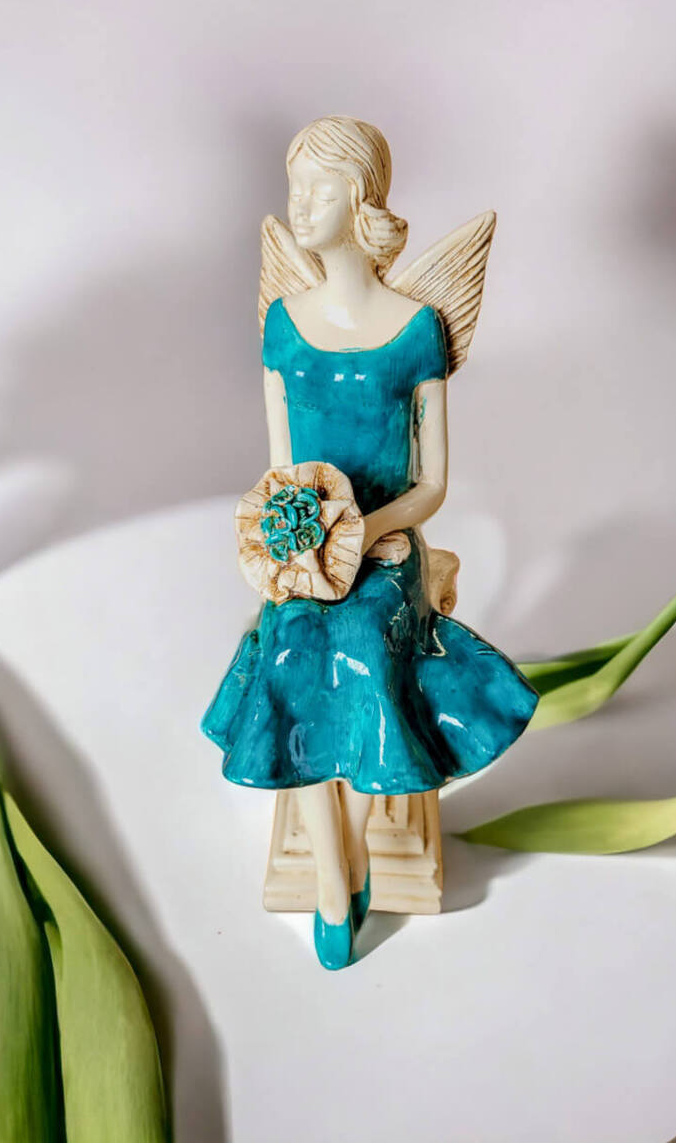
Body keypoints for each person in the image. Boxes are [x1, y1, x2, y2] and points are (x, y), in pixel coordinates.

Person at [201, 116, 538, 969]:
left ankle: (349, 848)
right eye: (294, 188)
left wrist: (365, 529)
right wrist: (290, 544)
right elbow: (281, 467)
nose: (299, 206)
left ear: (359, 200)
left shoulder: (417, 330)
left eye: (318, 190)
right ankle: (332, 875)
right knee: (289, 652)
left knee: (364, 650)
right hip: (302, 550)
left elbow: (432, 484)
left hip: (385, 548)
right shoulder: (283, 326)